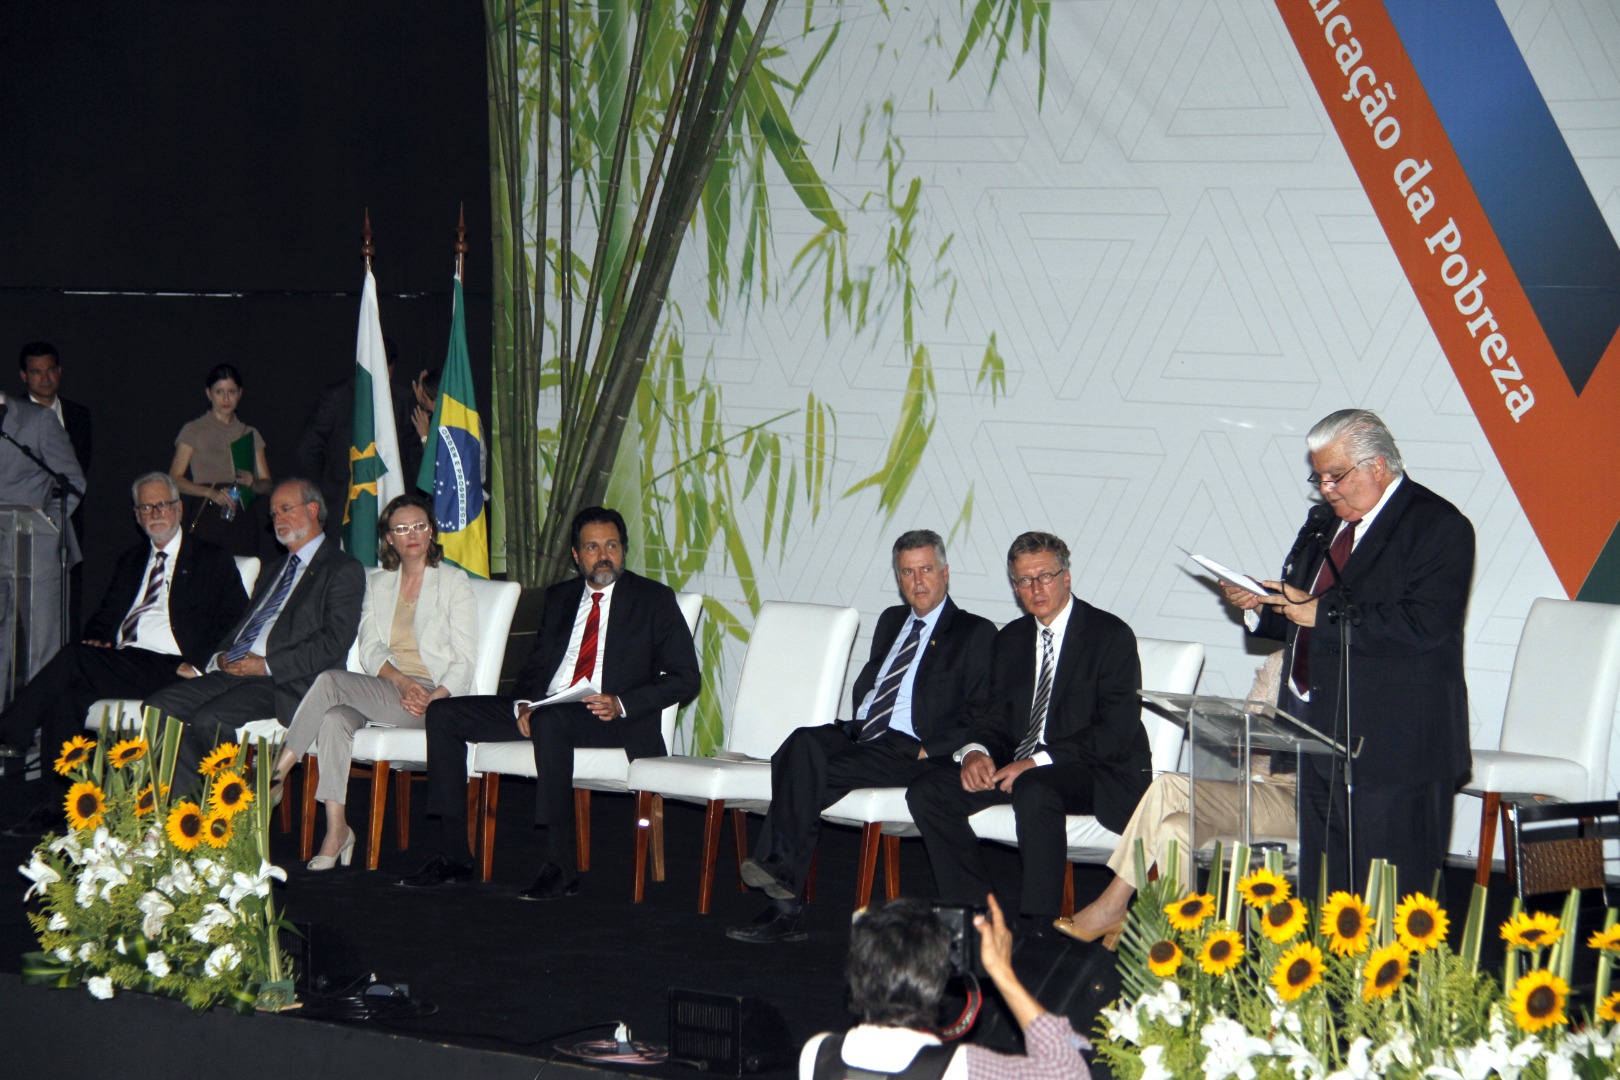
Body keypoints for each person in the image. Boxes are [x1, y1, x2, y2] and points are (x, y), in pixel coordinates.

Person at [1220, 408, 1473, 894]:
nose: (1326, 489)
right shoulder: (1324, 523)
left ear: (1378, 466)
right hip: (1318, 735)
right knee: (1327, 896)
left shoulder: (1437, 525)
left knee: (1393, 899)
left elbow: (1424, 625)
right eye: (1318, 478)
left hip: (1396, 748)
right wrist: (1261, 604)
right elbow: (1304, 612)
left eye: (1335, 476)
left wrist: (1320, 613)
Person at [398, 505, 699, 899]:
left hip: (610, 717)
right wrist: (524, 703)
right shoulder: (561, 597)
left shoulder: (653, 599)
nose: (603, 555)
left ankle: (560, 865)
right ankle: (453, 853)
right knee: (443, 713)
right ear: (576, 555)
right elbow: (537, 667)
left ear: (623, 549)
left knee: (551, 721)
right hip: (547, 708)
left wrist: (622, 702)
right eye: (592, 547)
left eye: (611, 546)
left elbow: (685, 677)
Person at [727, 530, 995, 945]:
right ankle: (779, 870)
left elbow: (979, 709)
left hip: (909, 748)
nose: (918, 581)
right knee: (801, 745)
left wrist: (930, 749)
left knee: (800, 774)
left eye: (926, 570)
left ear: (945, 573)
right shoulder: (891, 620)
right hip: (862, 732)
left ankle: (784, 901)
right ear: (898, 578)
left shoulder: (974, 631)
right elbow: (875, 681)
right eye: (907, 572)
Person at [907, 532, 1146, 933]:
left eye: (1045, 577)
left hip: (1095, 770)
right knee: (929, 791)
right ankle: (977, 918)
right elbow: (993, 716)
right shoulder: (1011, 640)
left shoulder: (1109, 635)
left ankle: (1038, 926)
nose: (1036, 589)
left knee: (1035, 787)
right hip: (1021, 766)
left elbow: (1115, 731)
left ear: (1066, 578)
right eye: (1024, 580)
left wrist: (1037, 761)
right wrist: (976, 751)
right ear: (1014, 587)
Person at [0, 472, 247, 834]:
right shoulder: (131, 560)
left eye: (162, 505)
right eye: (146, 507)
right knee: (65, 696)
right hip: (126, 661)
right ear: (136, 515)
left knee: (72, 659)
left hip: (173, 668)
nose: (155, 513)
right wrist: (98, 638)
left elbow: (237, 619)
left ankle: (9, 731)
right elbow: (106, 616)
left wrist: (199, 664)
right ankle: (59, 807)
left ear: (179, 509)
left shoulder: (211, 558)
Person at [271, 493, 477, 870]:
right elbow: (369, 648)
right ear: (389, 538)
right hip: (391, 688)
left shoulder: (453, 581)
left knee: (330, 681)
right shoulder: (378, 583)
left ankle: (277, 774)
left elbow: (465, 659)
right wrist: (401, 682)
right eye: (402, 528)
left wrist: (434, 697)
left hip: (437, 699)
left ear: (431, 532)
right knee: (334, 718)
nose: (411, 534)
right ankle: (337, 829)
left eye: (419, 526)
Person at [1057, 653, 1297, 946]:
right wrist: (1242, 732)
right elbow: (1240, 740)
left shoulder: (1338, 669)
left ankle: (1113, 903)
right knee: (1174, 828)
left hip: (1298, 800)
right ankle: (1182, 943)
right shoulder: (1277, 661)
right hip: (1249, 789)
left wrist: (1267, 735)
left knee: (1169, 786)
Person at [145, 479, 365, 779]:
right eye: (274, 514)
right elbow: (243, 626)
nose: (278, 519)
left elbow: (334, 641)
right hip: (236, 672)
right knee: (157, 708)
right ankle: (185, 804)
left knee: (209, 720)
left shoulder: (341, 568)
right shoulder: (273, 569)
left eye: (286, 509)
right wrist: (220, 657)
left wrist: (267, 665)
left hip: (285, 681)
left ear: (313, 510)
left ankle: (225, 805)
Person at [801, 895, 1089, 1080]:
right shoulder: (960, 1067)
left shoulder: (818, 1054)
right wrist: (1003, 972)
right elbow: (1070, 1074)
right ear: (936, 981)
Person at [0, 389, 85, 695]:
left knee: (42, 645)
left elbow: (73, 481)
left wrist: (46, 524)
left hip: (36, 549)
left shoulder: (38, 420)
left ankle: (41, 719)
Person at [19, 342, 91, 632]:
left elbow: (79, 471)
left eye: (50, 370)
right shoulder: (12, 415)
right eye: (37, 372)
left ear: (59, 371)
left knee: (68, 601)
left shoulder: (78, 415)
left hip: (68, 519)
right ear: (24, 376)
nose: (45, 378)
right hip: (25, 522)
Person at [169, 363, 273, 557]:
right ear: (209, 393)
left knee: (243, 570)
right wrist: (210, 493)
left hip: (241, 516)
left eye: (231, 392)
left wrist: (253, 483)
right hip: (208, 513)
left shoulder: (249, 433)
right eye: (219, 392)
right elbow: (174, 479)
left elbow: (267, 484)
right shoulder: (194, 429)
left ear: (240, 393)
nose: (226, 398)